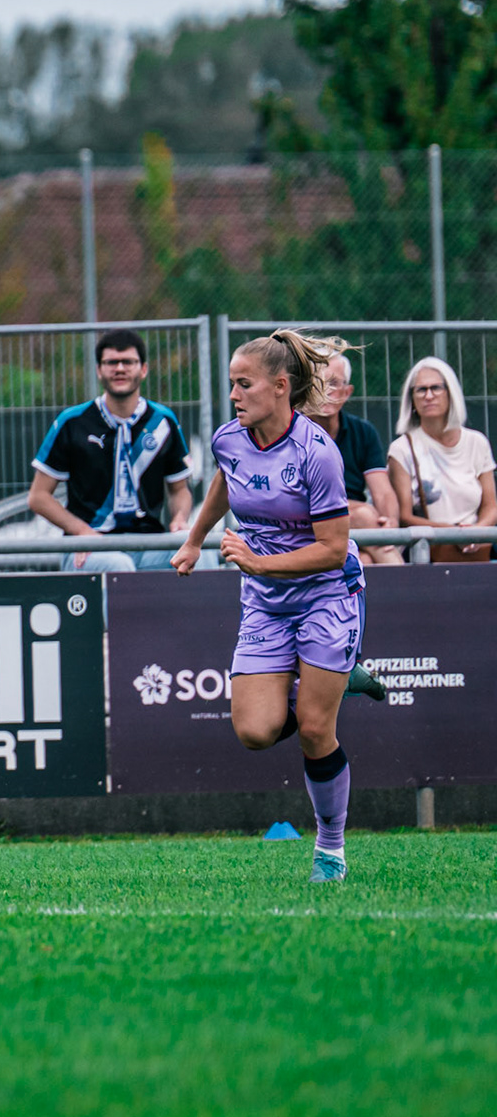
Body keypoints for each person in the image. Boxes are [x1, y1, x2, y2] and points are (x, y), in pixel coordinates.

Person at [173, 330, 366, 884]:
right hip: (267, 602)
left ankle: (330, 848)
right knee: (255, 731)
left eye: (244, 384)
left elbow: (333, 550)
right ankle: (337, 678)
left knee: (313, 730)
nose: (234, 395)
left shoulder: (317, 453)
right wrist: (194, 540)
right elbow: (225, 481)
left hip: (327, 594)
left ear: (281, 387)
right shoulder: (230, 438)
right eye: (232, 383)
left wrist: (259, 564)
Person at [28, 329, 196, 571]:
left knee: (197, 550)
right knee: (119, 567)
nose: (119, 368)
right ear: (99, 370)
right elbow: (38, 497)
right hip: (89, 547)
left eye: (128, 362)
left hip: (149, 544)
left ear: (143, 369)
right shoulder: (72, 421)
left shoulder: (163, 421)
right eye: (111, 362)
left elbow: (179, 489)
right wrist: (81, 531)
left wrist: (180, 519)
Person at [385, 356, 496, 564]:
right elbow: (404, 516)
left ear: (451, 392)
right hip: (428, 552)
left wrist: (477, 532)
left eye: (436, 388)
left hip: (478, 549)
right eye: (421, 390)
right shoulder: (402, 449)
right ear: (412, 399)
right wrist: (454, 533)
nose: (429, 396)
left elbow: (491, 506)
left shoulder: (477, 442)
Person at [307, 354, 402, 565]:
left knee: (364, 560)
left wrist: (389, 522)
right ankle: (406, 581)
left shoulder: (363, 431)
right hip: (307, 524)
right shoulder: (294, 431)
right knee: (365, 517)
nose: (325, 390)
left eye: (333, 383)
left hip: (355, 530)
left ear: (347, 392)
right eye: (318, 383)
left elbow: (383, 491)